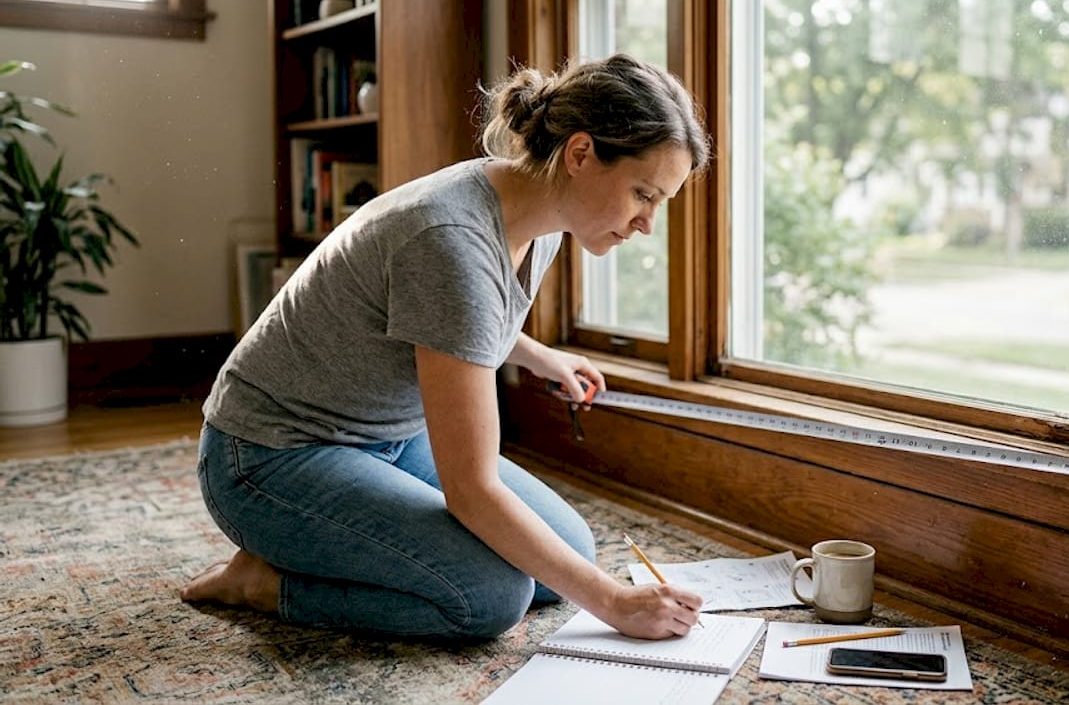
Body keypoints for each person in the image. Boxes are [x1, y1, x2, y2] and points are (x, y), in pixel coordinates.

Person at [180, 54, 711, 642]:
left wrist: (536, 355)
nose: (647, 224)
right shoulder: (451, 239)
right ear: (580, 154)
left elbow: (453, 319)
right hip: (267, 457)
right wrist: (614, 603)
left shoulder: (537, 213)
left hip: (386, 436)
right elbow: (472, 491)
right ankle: (263, 583)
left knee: (566, 555)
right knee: (490, 596)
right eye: (643, 194)